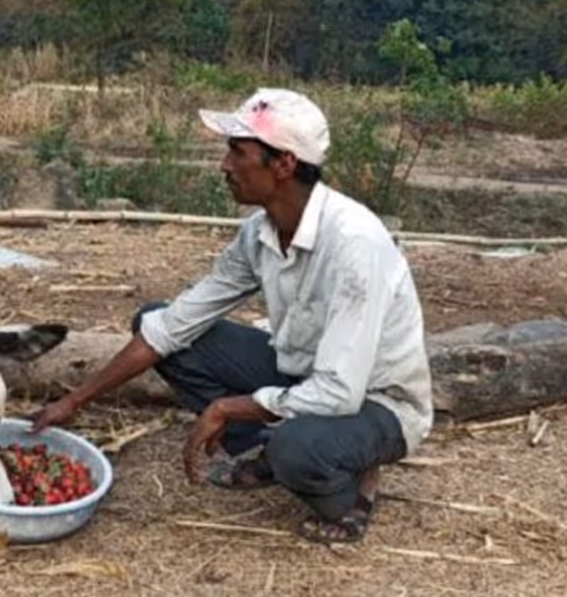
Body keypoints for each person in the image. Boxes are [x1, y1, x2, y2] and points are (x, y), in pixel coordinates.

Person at [29, 87, 434, 544]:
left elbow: (341, 391)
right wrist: (74, 401)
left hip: (375, 402)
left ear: (283, 164)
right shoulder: (258, 233)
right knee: (159, 323)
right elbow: (174, 326)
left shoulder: (355, 244)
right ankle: (268, 449)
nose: (224, 165)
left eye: (238, 152)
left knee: (296, 449)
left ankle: (354, 491)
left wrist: (227, 406)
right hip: (303, 375)